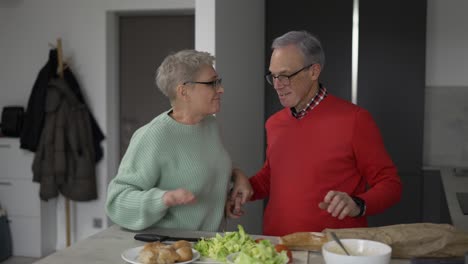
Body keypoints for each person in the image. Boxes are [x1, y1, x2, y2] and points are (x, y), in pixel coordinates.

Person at [227, 31, 402, 236]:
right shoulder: (274, 123)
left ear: (314, 71)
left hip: (333, 248)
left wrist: (359, 204)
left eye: (285, 75)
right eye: (273, 76)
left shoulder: (355, 120)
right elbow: (272, 176)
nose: (277, 85)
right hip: (278, 245)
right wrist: (242, 190)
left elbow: (390, 184)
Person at [106, 49, 245, 231]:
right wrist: (165, 199)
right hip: (172, 251)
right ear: (184, 91)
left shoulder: (209, 125)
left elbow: (203, 164)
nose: (221, 89)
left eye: (218, 82)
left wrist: (237, 176)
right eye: (212, 83)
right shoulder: (153, 136)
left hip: (209, 246)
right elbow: (117, 202)